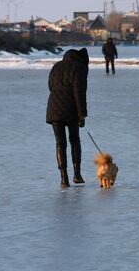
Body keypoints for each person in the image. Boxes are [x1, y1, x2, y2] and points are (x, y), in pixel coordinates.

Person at [46, 48, 89, 187]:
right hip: (71, 108)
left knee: (60, 143)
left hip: (53, 108)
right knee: (74, 140)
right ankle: (77, 175)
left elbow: (50, 86)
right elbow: (79, 92)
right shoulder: (79, 68)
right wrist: (82, 114)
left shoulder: (56, 66)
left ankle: (64, 179)